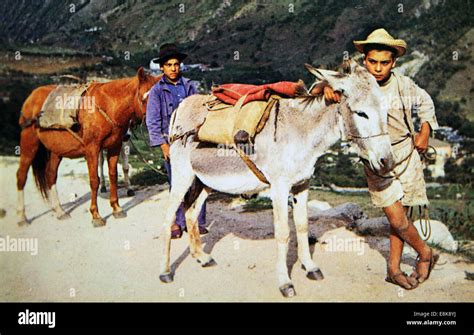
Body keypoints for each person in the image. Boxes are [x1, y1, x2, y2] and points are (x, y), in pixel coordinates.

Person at [313, 28, 439, 290]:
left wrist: (424, 130)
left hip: (405, 156)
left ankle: (393, 269)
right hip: (377, 161)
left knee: (401, 220)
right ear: (364, 60)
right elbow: (323, 85)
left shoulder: (404, 85)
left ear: (393, 63)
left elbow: (426, 103)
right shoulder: (357, 84)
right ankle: (426, 254)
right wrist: (325, 88)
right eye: (372, 62)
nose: (378, 68)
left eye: (384, 63)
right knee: (397, 219)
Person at [146, 43, 208, 239]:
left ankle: (198, 220)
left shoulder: (189, 86)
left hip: (192, 141)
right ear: (162, 67)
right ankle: (178, 222)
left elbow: (200, 112)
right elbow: (153, 121)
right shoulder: (157, 91)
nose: (173, 68)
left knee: (198, 181)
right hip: (171, 143)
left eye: (176, 64)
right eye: (169, 65)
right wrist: (163, 145)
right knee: (177, 182)